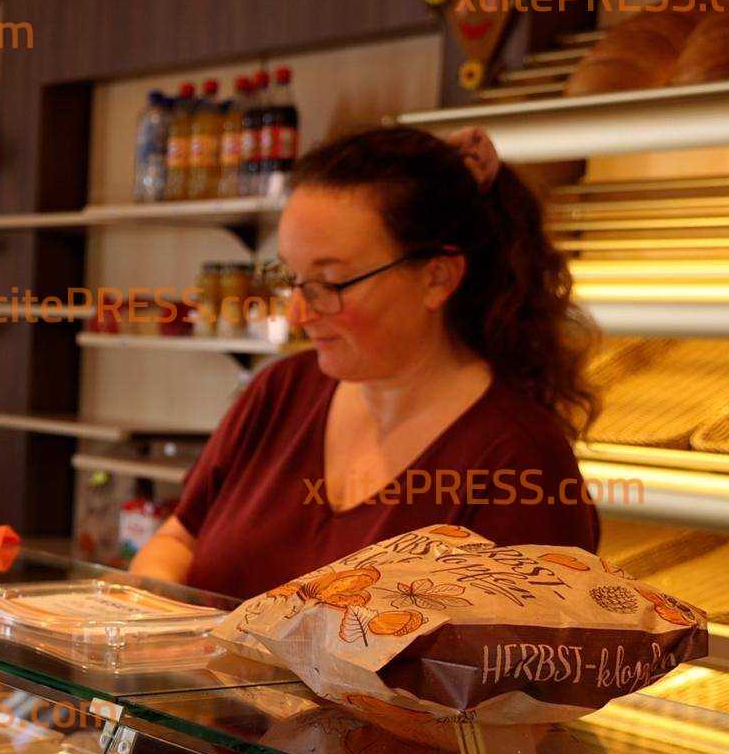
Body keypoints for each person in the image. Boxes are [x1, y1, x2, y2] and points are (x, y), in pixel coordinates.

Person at [131, 126, 600, 599]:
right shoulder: (280, 390)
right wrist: (156, 610)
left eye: (330, 283)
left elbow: (517, 664)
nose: (298, 314)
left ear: (437, 278)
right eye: (291, 279)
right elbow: (179, 536)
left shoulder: (518, 460)